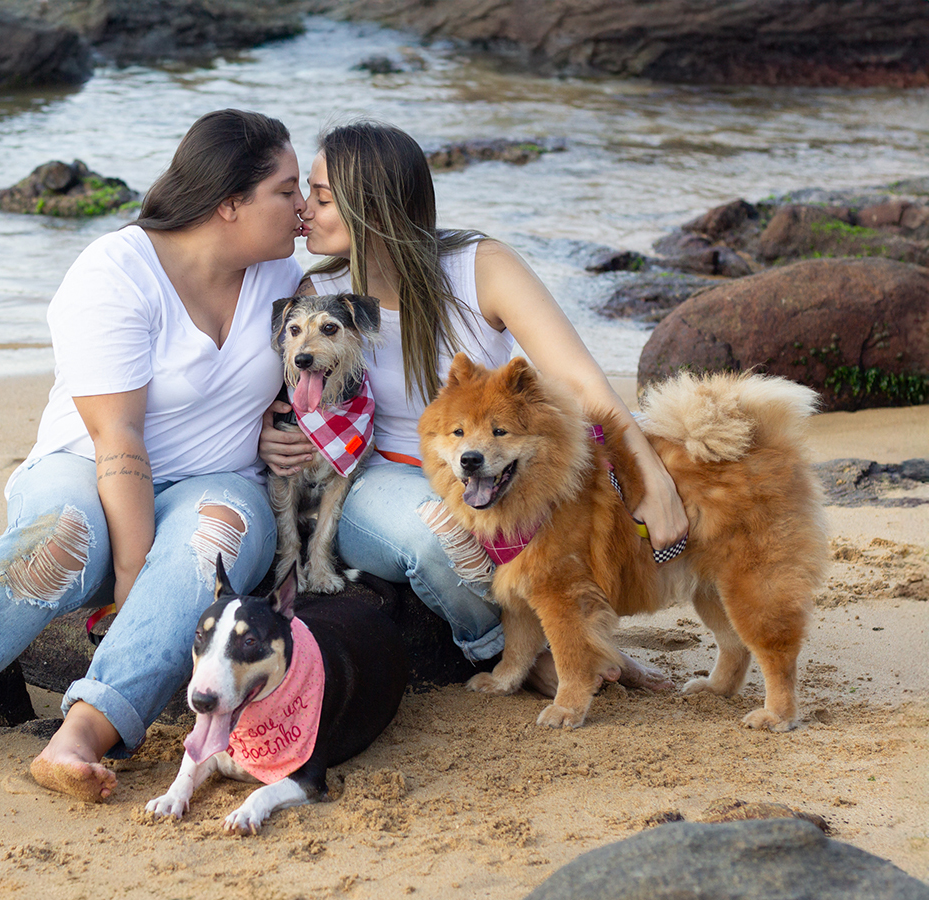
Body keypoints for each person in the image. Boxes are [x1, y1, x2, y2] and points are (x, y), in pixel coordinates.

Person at [0, 109, 307, 801]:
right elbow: (118, 437)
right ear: (230, 203)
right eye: (287, 190)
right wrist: (131, 576)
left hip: (216, 481)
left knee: (209, 545)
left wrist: (281, 426)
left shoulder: (282, 276)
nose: (303, 205)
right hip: (86, 464)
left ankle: (80, 734)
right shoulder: (116, 270)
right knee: (68, 538)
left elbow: (316, 378)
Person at [260, 121, 687, 681]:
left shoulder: (479, 266)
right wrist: (267, 427)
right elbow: (272, 397)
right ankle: (513, 654)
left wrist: (654, 482)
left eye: (320, 198)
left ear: (375, 210)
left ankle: (581, 635)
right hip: (376, 477)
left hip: (491, 460)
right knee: (439, 535)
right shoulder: (322, 298)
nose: (303, 213)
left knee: (574, 498)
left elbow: (579, 379)